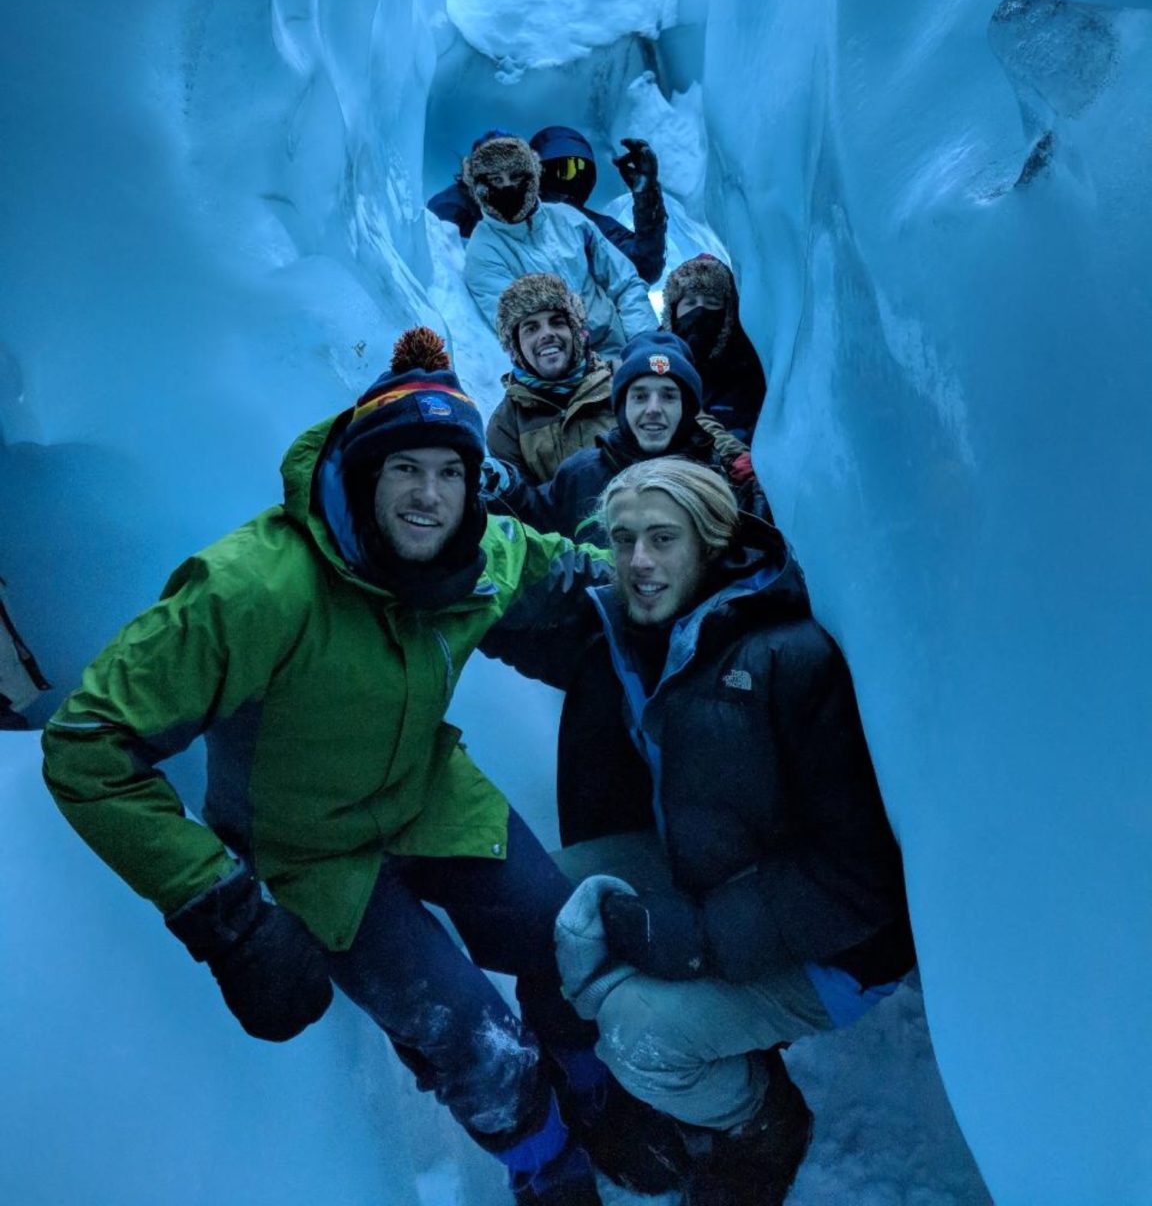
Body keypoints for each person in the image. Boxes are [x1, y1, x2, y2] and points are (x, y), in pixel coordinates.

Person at [40, 328, 669, 1205]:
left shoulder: (477, 555)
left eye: (450, 471)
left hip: (426, 796)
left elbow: (569, 571)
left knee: (569, 942)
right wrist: (223, 914)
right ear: (364, 469)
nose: (429, 495)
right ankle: (547, 1164)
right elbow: (86, 745)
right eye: (404, 468)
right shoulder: (256, 588)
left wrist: (674, 585)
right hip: (314, 857)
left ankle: (590, 1093)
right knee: (475, 1039)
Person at [536, 459, 914, 1206]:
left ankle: (759, 1123)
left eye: (662, 538)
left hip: (840, 948)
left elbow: (860, 873)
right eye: (623, 539)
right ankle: (673, 1062)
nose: (638, 561)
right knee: (542, 891)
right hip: (711, 875)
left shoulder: (791, 658)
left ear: (710, 543)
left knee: (637, 1035)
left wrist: (700, 937)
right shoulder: (650, 628)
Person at [484, 330, 756, 546]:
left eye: (669, 396)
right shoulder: (582, 474)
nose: (653, 408)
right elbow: (534, 519)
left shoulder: (717, 479)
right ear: (622, 406)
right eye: (639, 396)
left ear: (687, 408)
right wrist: (505, 489)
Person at [462, 133, 656, 359]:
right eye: (496, 179)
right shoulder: (483, 250)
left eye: (516, 176)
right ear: (480, 188)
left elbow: (625, 282)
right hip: (560, 370)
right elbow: (519, 327)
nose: (507, 187)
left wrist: (645, 345)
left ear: (533, 177)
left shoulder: (568, 219)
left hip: (619, 347)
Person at [486, 274, 615, 485]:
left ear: (575, 333)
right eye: (531, 328)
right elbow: (523, 506)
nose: (547, 334)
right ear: (516, 347)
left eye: (557, 323)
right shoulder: (506, 425)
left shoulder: (619, 386)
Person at [530, 126, 667, 285]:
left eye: (580, 169)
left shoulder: (597, 226)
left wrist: (647, 196)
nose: (573, 178)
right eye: (564, 170)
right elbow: (645, 267)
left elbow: (643, 268)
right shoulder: (514, 224)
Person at [661, 254, 767, 445]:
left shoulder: (748, 366)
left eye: (712, 302)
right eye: (690, 303)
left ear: (728, 313)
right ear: (673, 311)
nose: (700, 312)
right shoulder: (655, 358)